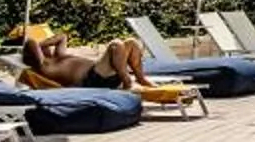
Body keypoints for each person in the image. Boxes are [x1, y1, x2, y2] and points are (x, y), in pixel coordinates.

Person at [13, 24, 156, 92]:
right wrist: (37, 42)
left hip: (102, 73)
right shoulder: (45, 66)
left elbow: (62, 36)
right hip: (93, 80)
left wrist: (44, 41)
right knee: (116, 45)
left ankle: (140, 78)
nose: (48, 45)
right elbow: (31, 43)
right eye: (43, 46)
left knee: (131, 42)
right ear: (36, 53)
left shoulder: (59, 56)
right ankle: (127, 82)